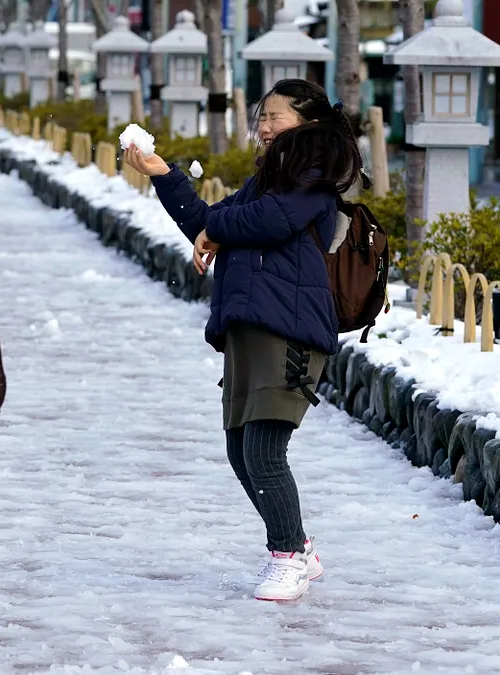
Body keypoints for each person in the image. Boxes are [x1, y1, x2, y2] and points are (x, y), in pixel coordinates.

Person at [122, 79, 363, 602]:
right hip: (250, 327)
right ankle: (297, 544)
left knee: (264, 447)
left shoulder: (314, 175)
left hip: (290, 329)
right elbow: (210, 223)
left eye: (275, 116)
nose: (264, 126)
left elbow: (270, 223)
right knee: (240, 449)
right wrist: (163, 174)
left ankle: (288, 557)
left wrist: (218, 229)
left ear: (308, 121)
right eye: (261, 117)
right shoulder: (267, 182)